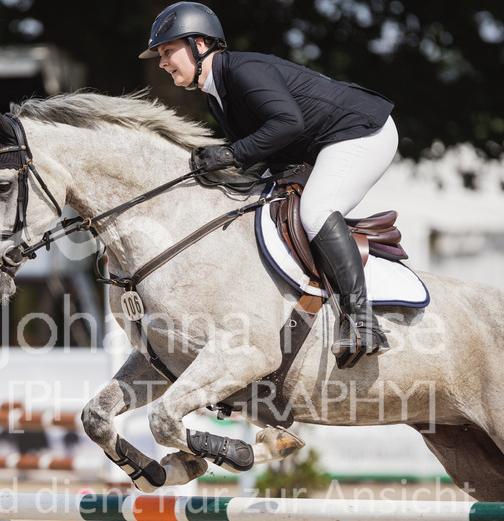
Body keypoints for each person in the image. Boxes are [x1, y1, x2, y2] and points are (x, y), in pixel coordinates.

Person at [140, 2, 398, 368]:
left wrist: (230, 154)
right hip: (317, 147)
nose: (163, 62)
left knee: (316, 210)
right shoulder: (216, 94)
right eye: (161, 55)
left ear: (199, 44)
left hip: (361, 133)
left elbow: (287, 124)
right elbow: (266, 152)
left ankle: (362, 321)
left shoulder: (243, 71)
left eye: (168, 51)